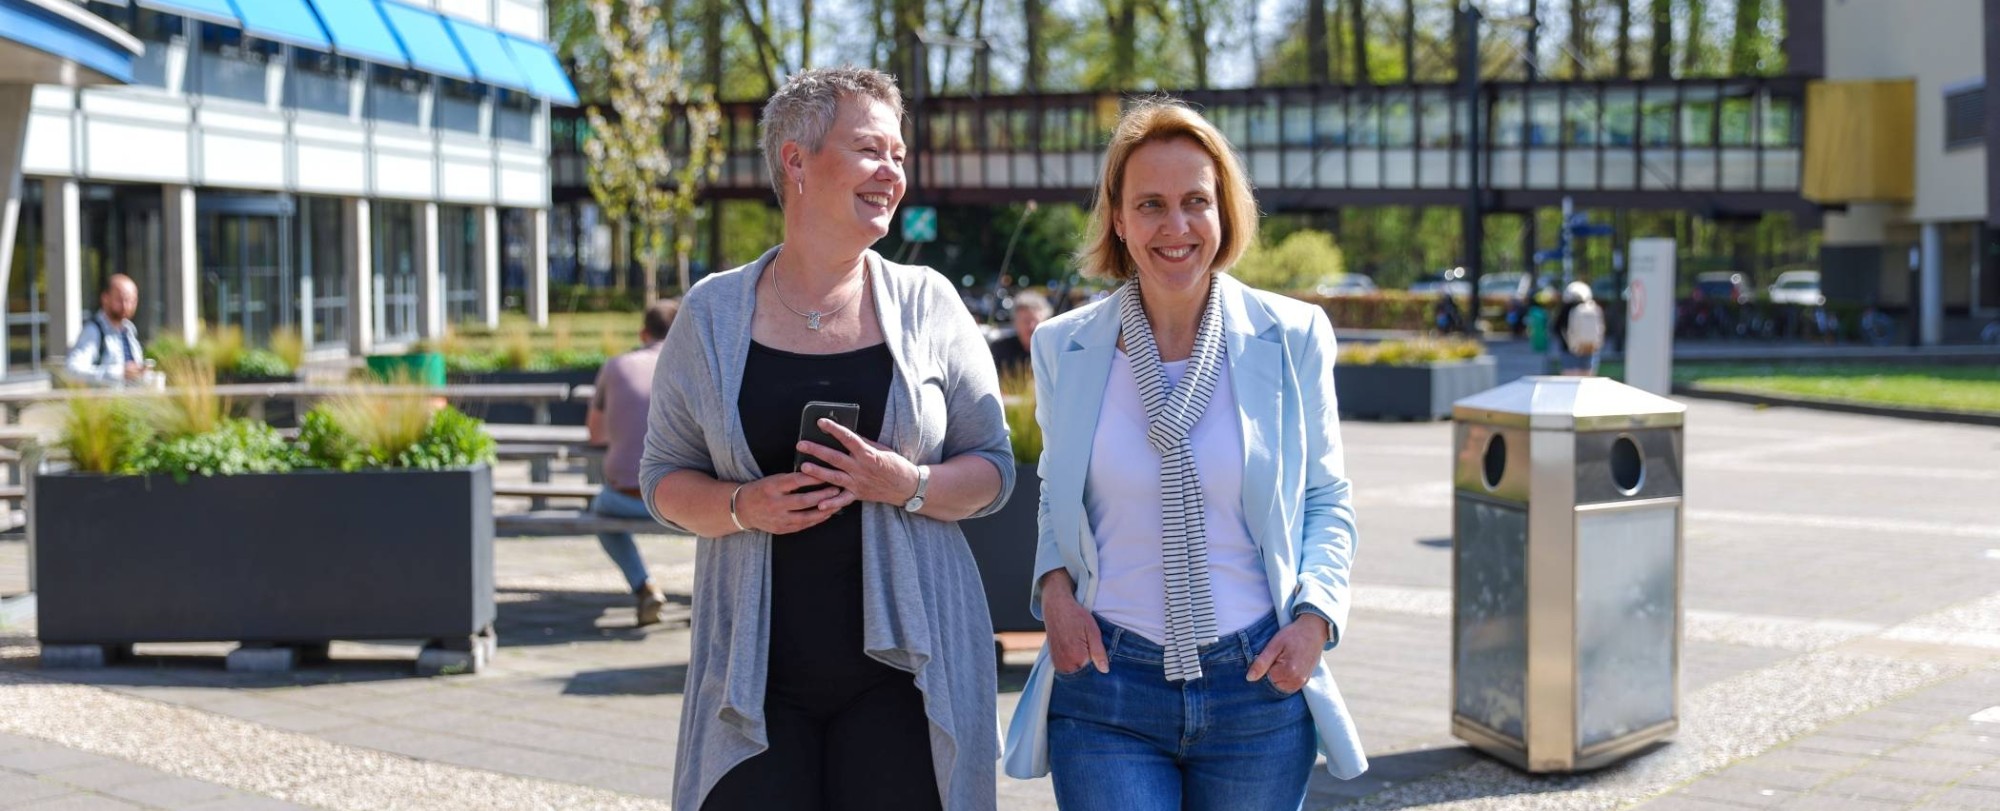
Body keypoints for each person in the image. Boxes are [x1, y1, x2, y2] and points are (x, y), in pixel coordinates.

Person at [638, 66, 1015, 811]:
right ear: (797, 160)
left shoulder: (929, 302)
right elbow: (662, 479)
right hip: (753, 679)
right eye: (872, 150)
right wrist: (745, 504)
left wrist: (905, 483)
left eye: (900, 157)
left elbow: (994, 468)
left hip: (909, 673)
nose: (893, 173)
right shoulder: (712, 313)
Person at [1002, 98, 1367, 809]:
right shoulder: (1064, 347)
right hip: (1106, 684)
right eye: (1150, 205)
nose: (1176, 227)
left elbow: (1326, 496)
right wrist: (1054, 594)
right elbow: (1055, 492)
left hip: (1258, 683)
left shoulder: (1292, 335)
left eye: (1196, 201)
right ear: (1118, 218)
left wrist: (1314, 622)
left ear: (1225, 210)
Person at [587, 299, 680, 626]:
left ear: (643, 333)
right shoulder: (694, 367)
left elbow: (596, 435)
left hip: (625, 498)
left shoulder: (616, 366)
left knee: (598, 511)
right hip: (685, 501)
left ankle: (643, 585)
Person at [66, 274, 144, 386]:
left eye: (131, 300)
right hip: (106, 402)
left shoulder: (130, 330)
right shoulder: (93, 331)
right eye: (120, 300)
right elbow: (72, 370)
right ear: (105, 298)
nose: (126, 305)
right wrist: (117, 373)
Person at [989, 289, 1052, 377]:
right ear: (1015, 323)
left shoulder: (1053, 350)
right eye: (1026, 321)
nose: (1032, 327)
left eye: (1036, 321)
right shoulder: (1000, 349)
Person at [1552, 280, 1605, 376]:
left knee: (1569, 380)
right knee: (1587, 380)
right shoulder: (1593, 308)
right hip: (1589, 348)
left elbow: (1556, 328)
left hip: (1569, 350)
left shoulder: (1566, 309)